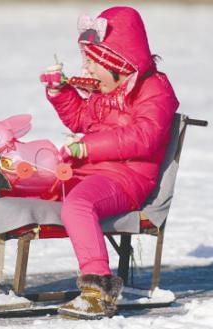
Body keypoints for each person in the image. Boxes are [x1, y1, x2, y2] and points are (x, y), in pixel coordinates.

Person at [40, 6, 179, 318]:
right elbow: (80, 118)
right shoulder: (107, 89)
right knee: (24, 183)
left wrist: (87, 148)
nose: (86, 69)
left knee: (77, 205)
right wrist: (59, 91)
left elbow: (145, 137)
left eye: (93, 62)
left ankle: (97, 289)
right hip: (91, 171)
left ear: (117, 62)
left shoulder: (155, 90)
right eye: (86, 61)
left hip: (126, 177)